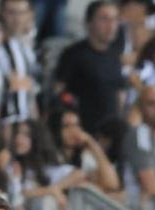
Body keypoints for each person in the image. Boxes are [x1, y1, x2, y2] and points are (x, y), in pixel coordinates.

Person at [53, 1, 125, 132]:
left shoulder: (115, 55)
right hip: (81, 130)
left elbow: (119, 94)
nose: (111, 26)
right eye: (104, 19)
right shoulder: (73, 54)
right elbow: (58, 91)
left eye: (115, 20)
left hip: (109, 132)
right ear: (89, 22)